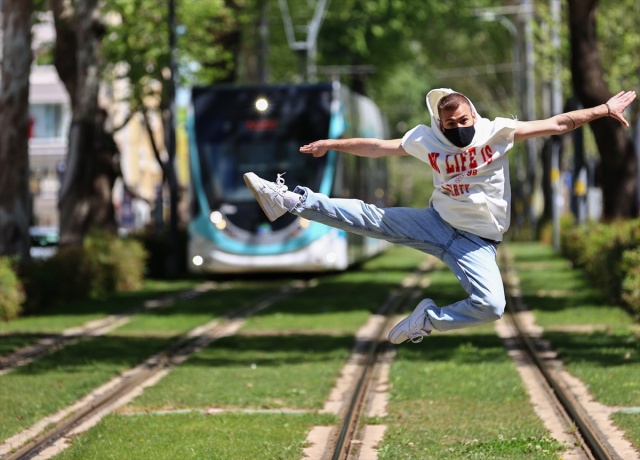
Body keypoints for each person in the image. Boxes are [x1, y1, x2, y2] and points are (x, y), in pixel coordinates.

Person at [243, 88, 637, 344]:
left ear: (473, 115)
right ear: (439, 123)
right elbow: (379, 147)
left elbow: (559, 123)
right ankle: (291, 199)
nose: (459, 128)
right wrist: (332, 144)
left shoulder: (497, 132)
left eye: (464, 121)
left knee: (492, 306)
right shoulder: (424, 139)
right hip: (437, 224)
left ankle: (428, 319)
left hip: (477, 243)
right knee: (370, 217)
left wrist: (604, 109)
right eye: (451, 124)